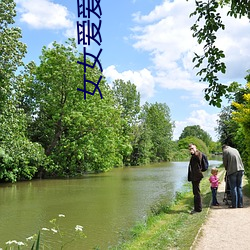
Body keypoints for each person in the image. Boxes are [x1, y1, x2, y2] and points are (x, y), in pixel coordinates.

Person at [188, 143, 204, 214]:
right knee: (196, 192)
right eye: (190, 149)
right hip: (195, 176)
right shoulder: (194, 155)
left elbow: (198, 158)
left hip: (196, 176)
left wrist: (194, 152)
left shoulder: (198, 154)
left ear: (195, 148)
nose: (191, 150)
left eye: (192, 148)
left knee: (196, 192)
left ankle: (198, 209)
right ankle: (197, 208)